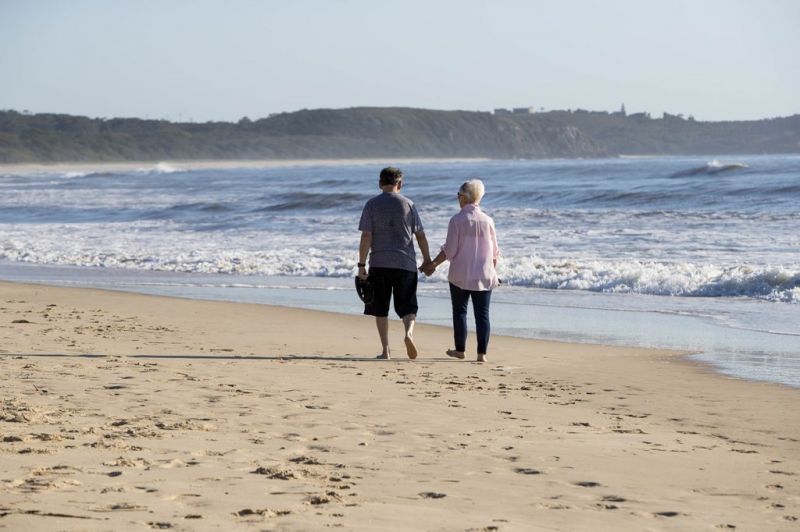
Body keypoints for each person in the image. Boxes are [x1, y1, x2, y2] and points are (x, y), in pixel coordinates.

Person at [421, 179, 500, 362]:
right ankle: (482, 354)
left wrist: (432, 265)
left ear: (464, 197)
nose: (457, 199)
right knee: (483, 315)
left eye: (458, 196)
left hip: (460, 275)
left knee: (460, 312)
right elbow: (495, 253)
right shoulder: (488, 221)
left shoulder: (457, 220)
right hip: (484, 274)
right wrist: (491, 271)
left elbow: (449, 250)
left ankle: (460, 350)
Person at [358, 167, 432, 360]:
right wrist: (427, 260)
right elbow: (420, 236)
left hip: (379, 263)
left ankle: (386, 350)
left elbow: (366, 236)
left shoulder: (371, 204)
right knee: (408, 306)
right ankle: (408, 333)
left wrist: (361, 265)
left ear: (380, 184)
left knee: (380, 307)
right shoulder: (409, 204)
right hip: (405, 263)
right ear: (400, 184)